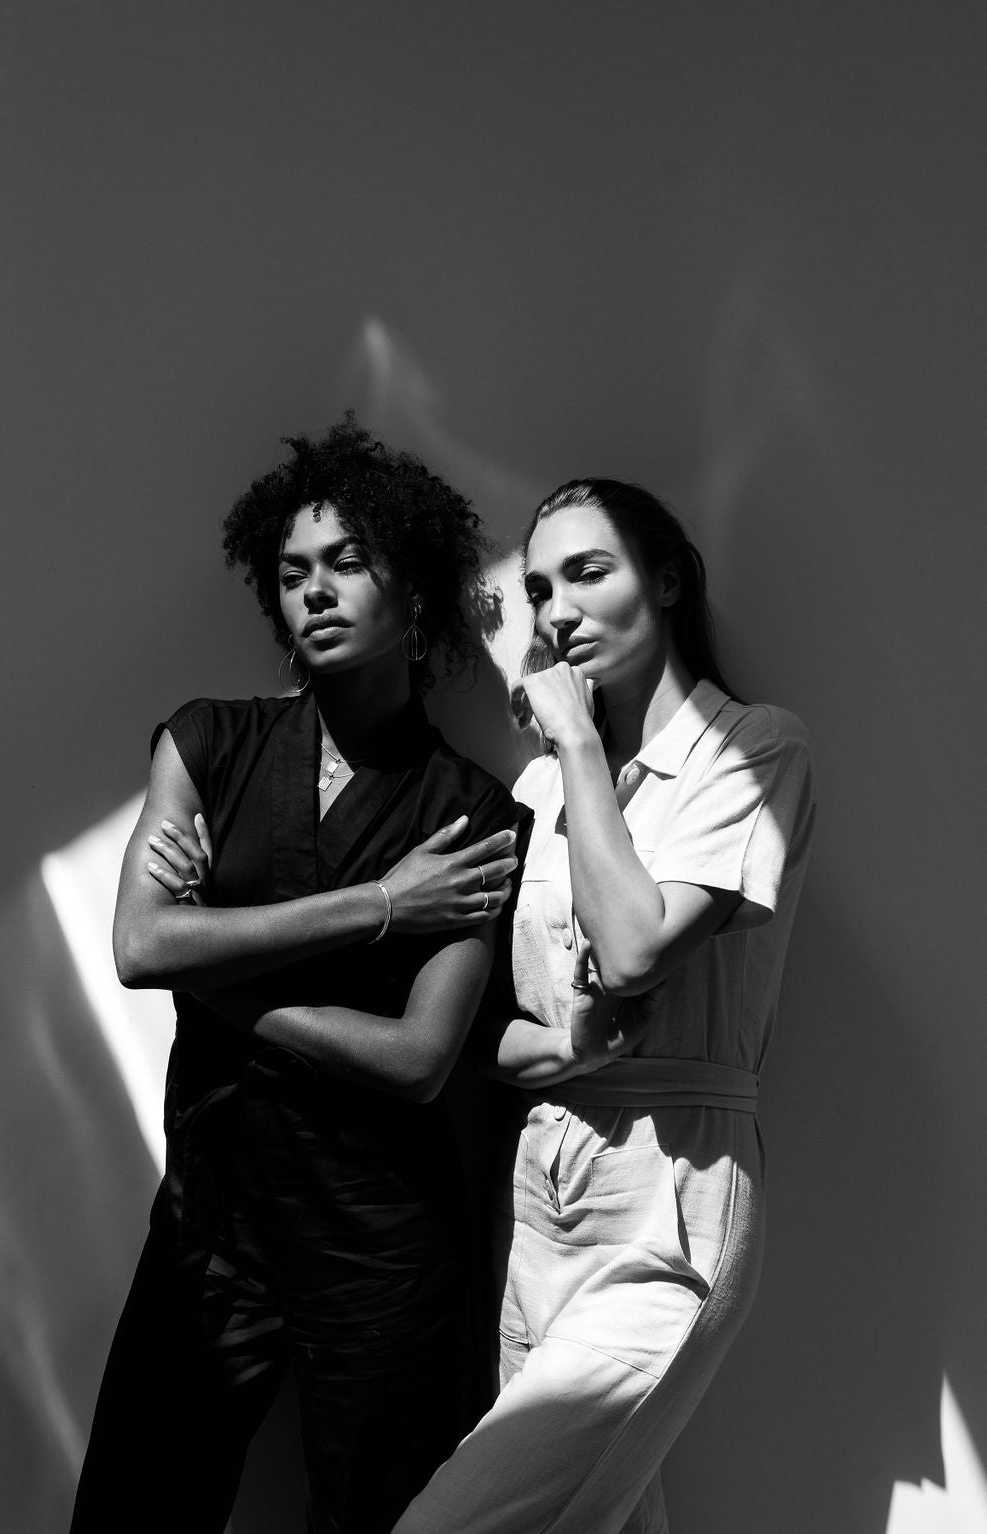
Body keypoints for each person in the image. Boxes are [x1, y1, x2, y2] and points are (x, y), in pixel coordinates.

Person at [69, 415, 523, 1534]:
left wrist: (215, 963)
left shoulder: (469, 816)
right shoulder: (206, 744)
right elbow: (138, 948)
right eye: (291, 572)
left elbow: (418, 1061)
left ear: (415, 598)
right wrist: (383, 906)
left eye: (347, 562)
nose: (314, 590)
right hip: (209, 1230)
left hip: (381, 1251)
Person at [393, 478, 816, 1534]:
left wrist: (576, 742)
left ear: (666, 581)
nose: (557, 611)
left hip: (673, 1193)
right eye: (540, 589)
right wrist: (559, 1047)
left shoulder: (754, 748)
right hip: (539, 1193)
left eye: (588, 572)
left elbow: (631, 951)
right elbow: (479, 1026)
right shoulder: (536, 793)